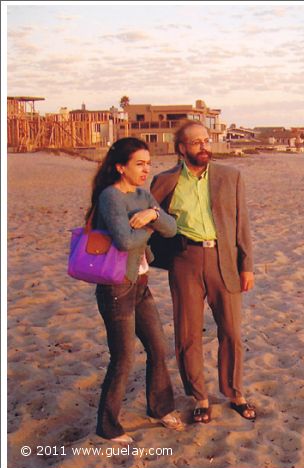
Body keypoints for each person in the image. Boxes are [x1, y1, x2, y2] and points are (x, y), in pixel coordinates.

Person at [150, 120, 256, 423]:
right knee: (187, 334)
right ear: (182, 148)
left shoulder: (231, 176)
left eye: (207, 140)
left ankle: (235, 392)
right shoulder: (165, 180)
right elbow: (148, 219)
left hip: (224, 259)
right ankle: (199, 397)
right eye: (196, 142)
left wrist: (246, 266)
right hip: (185, 260)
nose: (204, 147)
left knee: (232, 331)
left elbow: (242, 226)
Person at [88, 137, 184, 443]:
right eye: (139, 164)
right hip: (116, 286)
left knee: (158, 347)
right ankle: (107, 426)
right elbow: (124, 242)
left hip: (140, 283)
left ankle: (160, 408)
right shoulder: (111, 197)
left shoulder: (143, 195)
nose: (146, 170)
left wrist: (153, 215)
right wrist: (146, 227)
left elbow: (172, 229)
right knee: (124, 357)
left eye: (149, 163)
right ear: (120, 167)